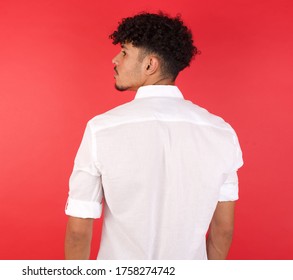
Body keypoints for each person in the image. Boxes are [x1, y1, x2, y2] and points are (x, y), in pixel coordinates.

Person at [64, 12, 243, 260]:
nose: (115, 59)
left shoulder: (102, 129)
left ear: (150, 65)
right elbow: (223, 229)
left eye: (125, 52)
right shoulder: (221, 132)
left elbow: (78, 231)